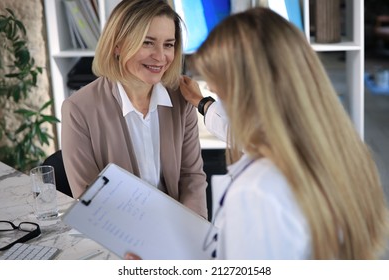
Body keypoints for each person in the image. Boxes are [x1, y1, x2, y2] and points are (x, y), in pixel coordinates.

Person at [178, 7, 388, 259]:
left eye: (221, 92)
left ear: (249, 94)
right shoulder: (340, 154)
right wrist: (203, 103)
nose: (219, 98)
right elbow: (249, 135)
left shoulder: (257, 192)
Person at [61, 0, 208, 219]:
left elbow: (192, 178)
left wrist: (192, 237)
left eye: (168, 44)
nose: (160, 56)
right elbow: (90, 198)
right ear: (118, 45)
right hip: (118, 235)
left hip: (176, 229)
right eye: (148, 43)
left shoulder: (180, 99)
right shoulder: (78, 109)